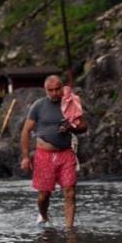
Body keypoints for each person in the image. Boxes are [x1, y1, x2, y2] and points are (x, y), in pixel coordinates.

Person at [20, 75, 88, 228]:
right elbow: (25, 131)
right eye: (50, 90)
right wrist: (25, 157)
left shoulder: (71, 103)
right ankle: (43, 215)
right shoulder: (38, 106)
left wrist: (71, 127)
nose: (54, 93)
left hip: (66, 153)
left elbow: (84, 126)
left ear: (62, 87)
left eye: (57, 89)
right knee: (44, 195)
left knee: (70, 192)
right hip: (44, 155)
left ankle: (69, 229)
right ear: (46, 90)